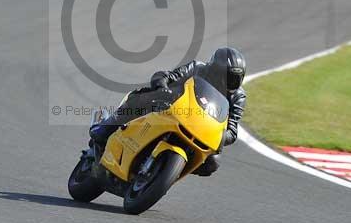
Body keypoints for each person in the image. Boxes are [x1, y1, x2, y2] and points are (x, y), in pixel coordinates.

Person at [89, 47, 247, 177]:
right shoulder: (197, 68)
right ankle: (105, 127)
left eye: (235, 78)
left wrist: (220, 136)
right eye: (226, 76)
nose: (229, 82)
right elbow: (170, 76)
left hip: (200, 129)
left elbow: (232, 129)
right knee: (141, 98)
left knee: (212, 163)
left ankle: (167, 173)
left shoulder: (238, 96)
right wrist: (162, 86)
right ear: (214, 70)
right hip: (171, 108)